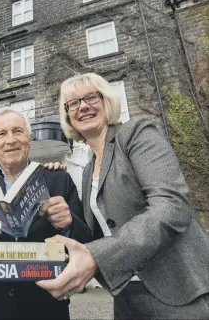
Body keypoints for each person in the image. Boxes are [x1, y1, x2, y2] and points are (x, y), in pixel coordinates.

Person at [37, 73, 209, 319]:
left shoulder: (136, 133)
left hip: (177, 291)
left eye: (90, 97)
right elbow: (98, 233)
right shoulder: (87, 171)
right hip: (125, 295)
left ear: (106, 101)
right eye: (73, 103)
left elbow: (171, 206)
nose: (83, 106)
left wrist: (97, 257)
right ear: (67, 115)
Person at [0, 107, 92, 319]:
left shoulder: (58, 179)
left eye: (18, 131)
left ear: (29, 139)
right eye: (2, 134)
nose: (11, 140)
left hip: (45, 307)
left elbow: (86, 242)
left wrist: (68, 224)